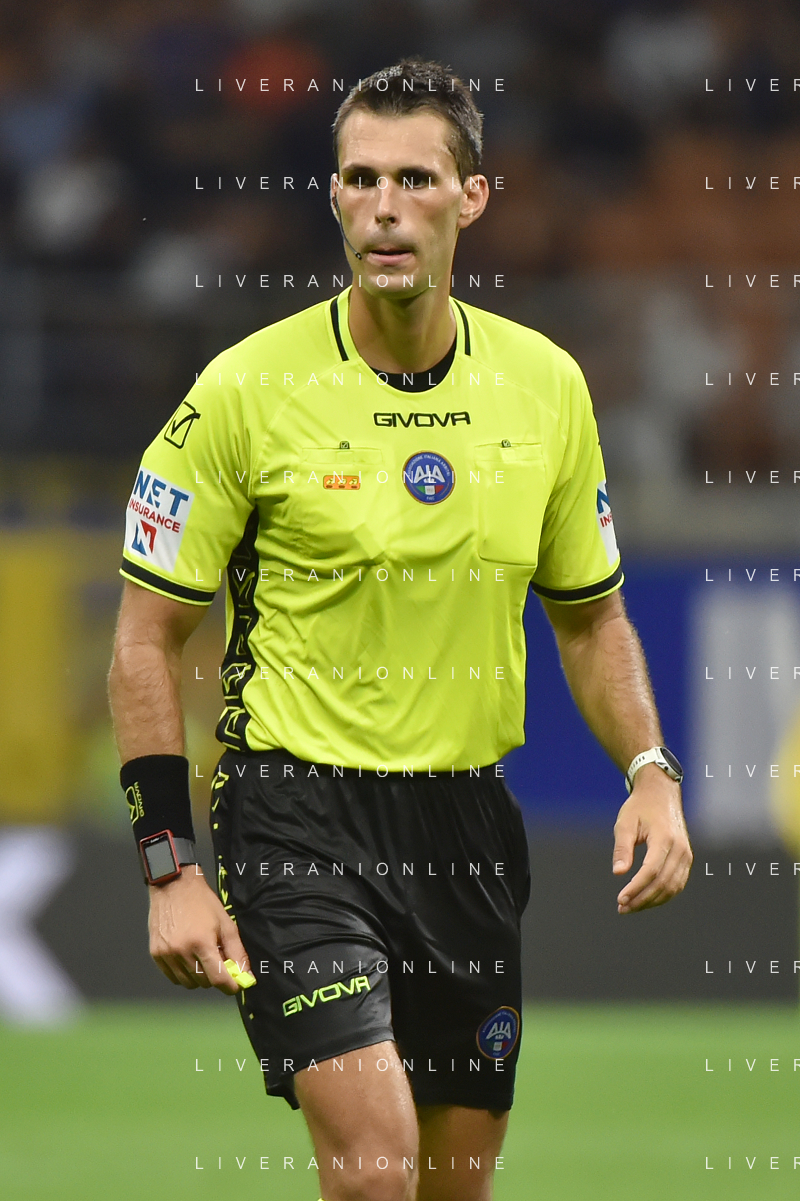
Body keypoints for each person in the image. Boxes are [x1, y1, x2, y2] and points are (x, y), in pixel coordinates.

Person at [108, 58, 692, 1201]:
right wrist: (168, 866)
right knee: (375, 1172)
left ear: (470, 197)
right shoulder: (242, 390)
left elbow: (591, 620)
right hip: (295, 816)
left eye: (414, 179)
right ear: (332, 194)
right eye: (359, 178)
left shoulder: (545, 388)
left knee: (446, 1189)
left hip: (464, 825)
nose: (383, 206)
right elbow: (146, 637)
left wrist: (649, 769)